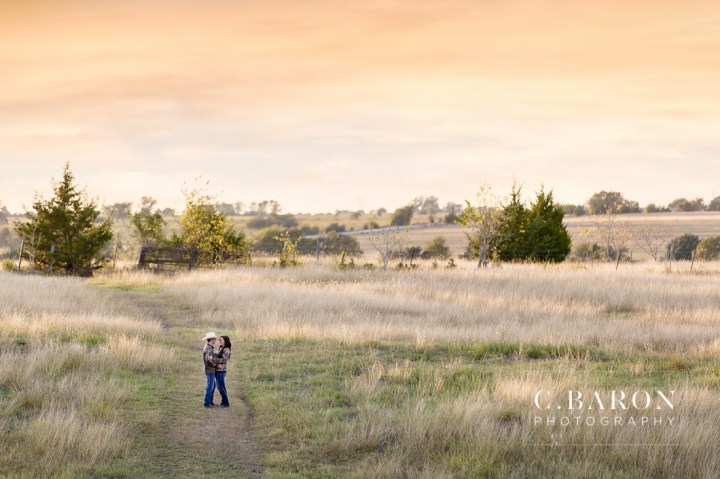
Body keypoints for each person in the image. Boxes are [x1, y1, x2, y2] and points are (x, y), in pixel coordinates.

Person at [215, 335, 232, 407]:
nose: (219, 341)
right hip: (218, 370)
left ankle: (226, 403)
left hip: (221, 371)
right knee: (222, 387)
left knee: (220, 387)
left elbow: (223, 360)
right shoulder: (221, 348)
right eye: (219, 340)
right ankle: (224, 402)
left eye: (221, 340)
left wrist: (214, 360)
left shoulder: (226, 349)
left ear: (225, 341)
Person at [202, 332, 218, 408]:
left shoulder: (209, 347)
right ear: (211, 339)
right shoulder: (208, 348)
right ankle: (207, 403)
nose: (215, 340)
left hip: (210, 369)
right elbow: (208, 359)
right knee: (210, 386)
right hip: (210, 369)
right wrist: (215, 364)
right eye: (214, 339)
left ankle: (210, 402)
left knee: (212, 385)